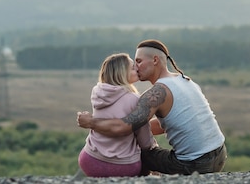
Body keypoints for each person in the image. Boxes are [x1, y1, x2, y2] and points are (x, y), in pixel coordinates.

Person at [77, 39, 227, 175]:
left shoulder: (156, 93)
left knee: (136, 154)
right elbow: (175, 122)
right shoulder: (184, 80)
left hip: (194, 164)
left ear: (155, 60)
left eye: (139, 61)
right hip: (219, 154)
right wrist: (136, 129)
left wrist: (90, 122)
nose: (136, 67)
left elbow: (123, 127)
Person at [77, 52, 158, 177]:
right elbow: (144, 140)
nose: (137, 68)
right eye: (132, 67)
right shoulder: (134, 99)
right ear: (121, 73)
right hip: (123, 166)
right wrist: (154, 153)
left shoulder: (97, 92)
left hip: (89, 160)